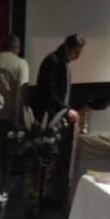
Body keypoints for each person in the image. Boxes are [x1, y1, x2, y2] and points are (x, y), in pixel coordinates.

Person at [33, 34, 86, 205]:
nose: (77, 57)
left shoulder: (60, 61)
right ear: (67, 47)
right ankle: (44, 196)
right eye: (76, 52)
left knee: (54, 156)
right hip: (50, 117)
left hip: (56, 116)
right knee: (49, 156)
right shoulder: (53, 62)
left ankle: (49, 195)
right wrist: (65, 110)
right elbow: (49, 91)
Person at [0, 35, 30, 209]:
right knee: (7, 157)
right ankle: (2, 191)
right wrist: (19, 120)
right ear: (17, 47)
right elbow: (21, 93)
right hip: (9, 116)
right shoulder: (20, 64)